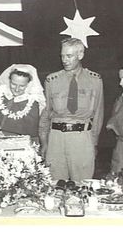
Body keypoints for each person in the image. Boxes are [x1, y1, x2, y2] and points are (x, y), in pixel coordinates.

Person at [39, 37, 104, 181]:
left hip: (81, 139)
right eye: (62, 56)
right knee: (55, 185)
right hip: (56, 139)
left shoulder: (95, 80)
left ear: (80, 55)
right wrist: (44, 142)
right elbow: (46, 113)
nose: (65, 60)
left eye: (69, 56)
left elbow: (98, 114)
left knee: (82, 186)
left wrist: (94, 143)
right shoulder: (52, 80)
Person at [0, 64, 46, 143]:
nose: (17, 89)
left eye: (22, 86)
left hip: (21, 145)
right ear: (9, 81)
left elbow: (34, 133)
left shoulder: (33, 103)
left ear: (28, 85)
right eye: (13, 84)